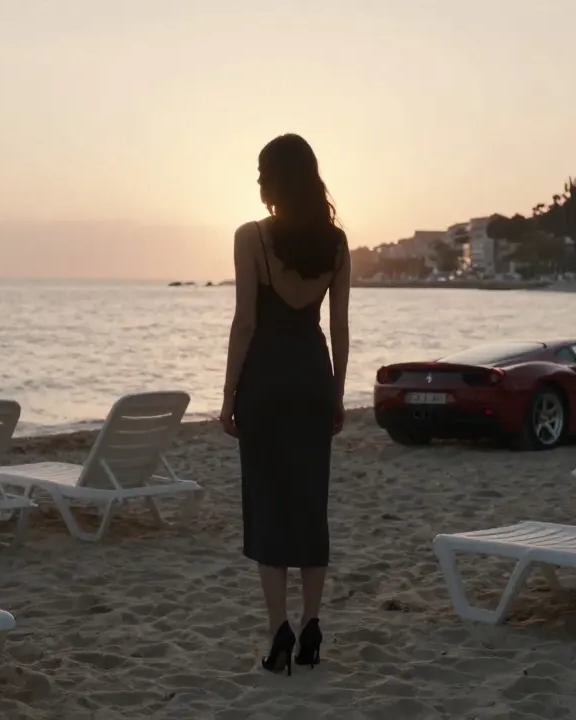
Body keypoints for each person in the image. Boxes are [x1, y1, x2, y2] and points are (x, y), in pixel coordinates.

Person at [218, 134, 350, 675]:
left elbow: (246, 322)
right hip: (313, 379)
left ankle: (279, 632)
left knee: (269, 506)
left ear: (271, 179)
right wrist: (338, 391)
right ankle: (313, 626)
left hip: (265, 384)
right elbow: (339, 326)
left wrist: (228, 396)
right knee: (309, 506)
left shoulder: (250, 237)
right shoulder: (336, 243)